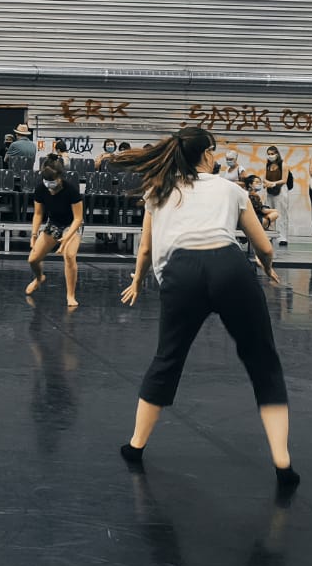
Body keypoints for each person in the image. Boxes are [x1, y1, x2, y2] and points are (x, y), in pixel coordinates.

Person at [113, 127, 296, 488]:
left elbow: (146, 249)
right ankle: (282, 460)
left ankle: (135, 445)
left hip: (181, 273)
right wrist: (267, 265)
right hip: (229, 267)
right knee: (263, 361)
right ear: (208, 154)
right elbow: (264, 246)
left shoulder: (159, 190)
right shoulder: (231, 189)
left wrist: (137, 280)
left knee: (167, 358)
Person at [25, 155, 85, 308]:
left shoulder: (70, 190)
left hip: (71, 225)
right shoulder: (41, 189)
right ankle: (39, 278)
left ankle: (70, 295)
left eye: (52, 181)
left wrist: (67, 238)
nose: (49, 184)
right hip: (54, 223)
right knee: (33, 259)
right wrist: (34, 234)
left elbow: (78, 218)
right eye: (46, 181)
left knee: (69, 256)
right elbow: (38, 214)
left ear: (59, 177)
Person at [262, 145, 291, 246]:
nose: (270, 156)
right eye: (269, 154)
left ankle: (283, 237)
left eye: (272, 154)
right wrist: (266, 183)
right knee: (269, 212)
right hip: (270, 191)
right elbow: (264, 177)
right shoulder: (268, 165)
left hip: (281, 191)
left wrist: (273, 183)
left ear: (277, 154)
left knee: (282, 213)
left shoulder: (283, 165)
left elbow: (284, 180)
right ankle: (270, 235)